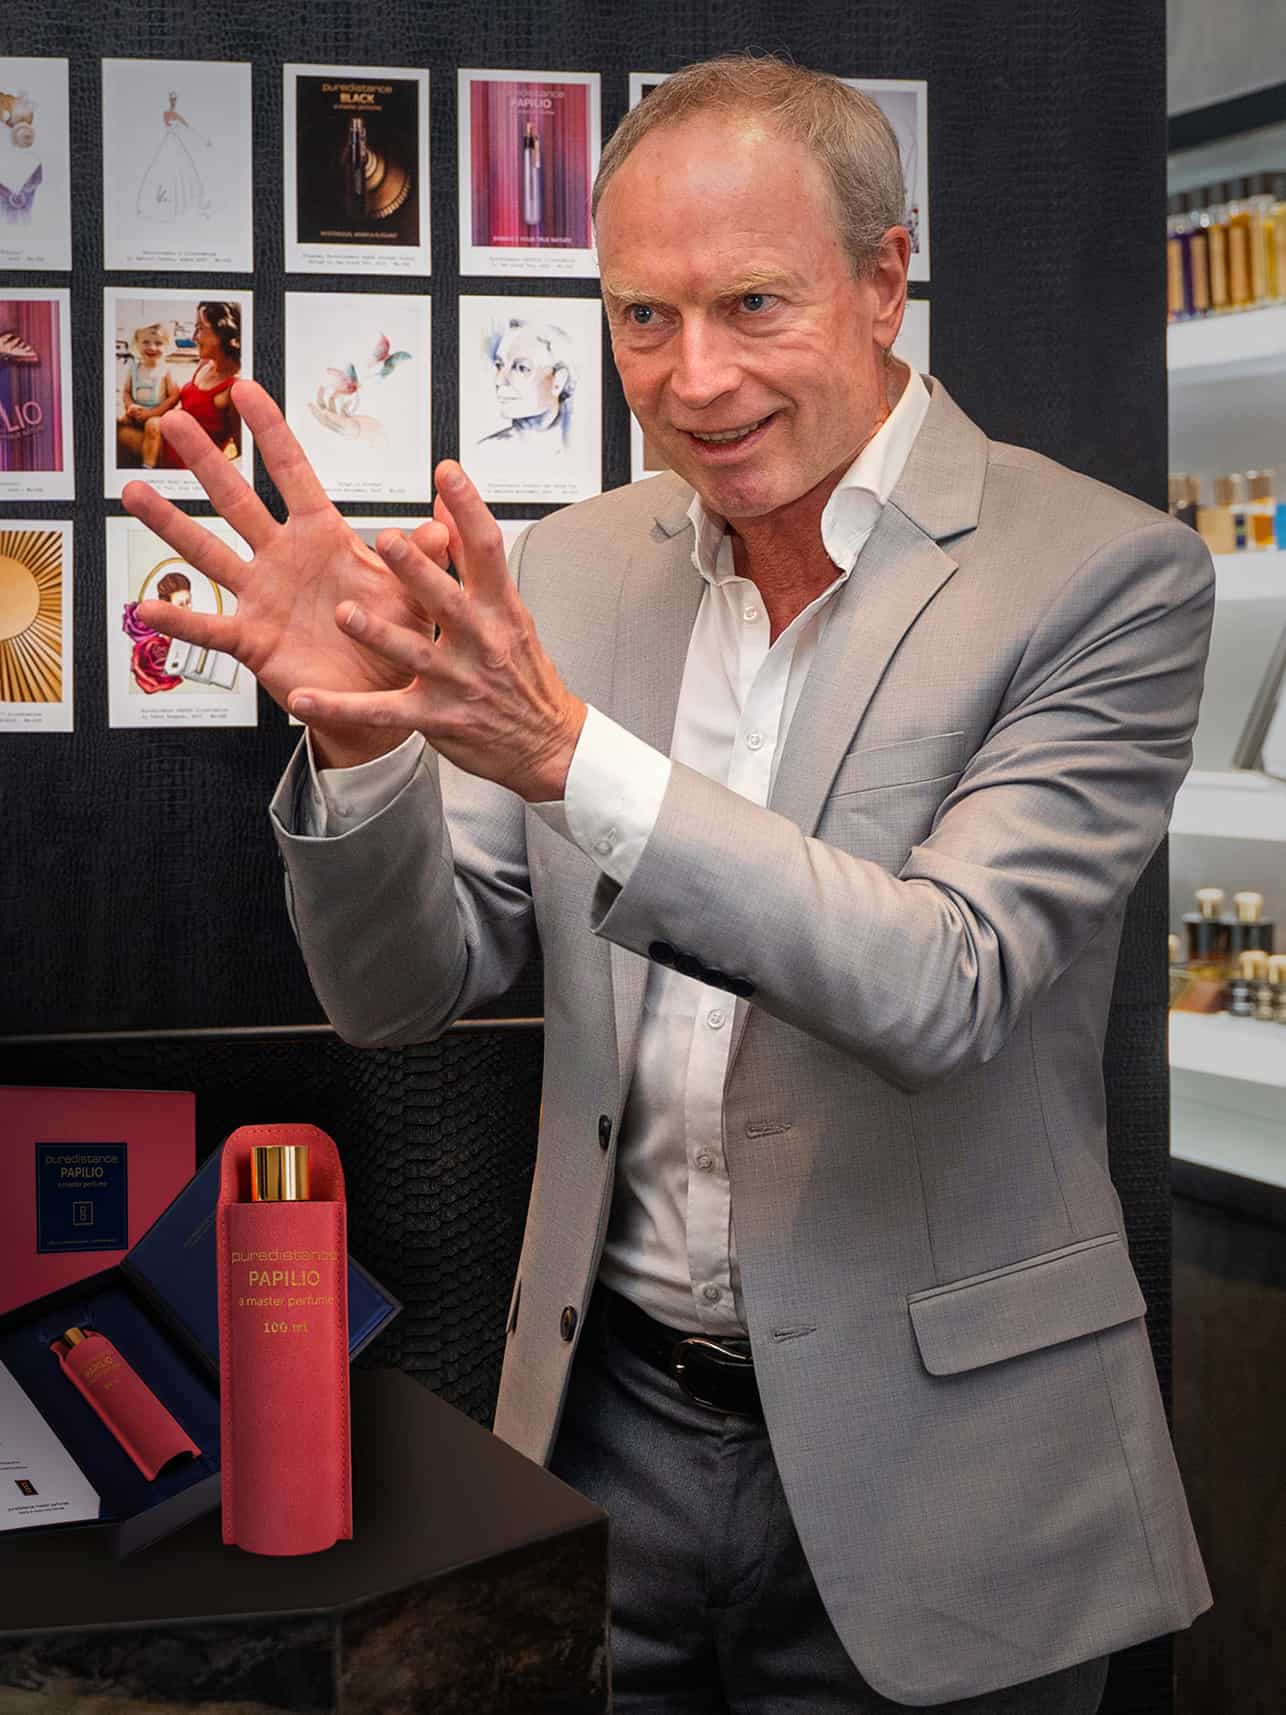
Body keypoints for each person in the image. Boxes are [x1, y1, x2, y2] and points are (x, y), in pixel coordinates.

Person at [120, 54, 1214, 1715]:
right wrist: (357, 739)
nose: (693, 378)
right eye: (643, 316)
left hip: (949, 1470)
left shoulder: (1101, 574)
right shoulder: (572, 566)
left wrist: (569, 756)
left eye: (752, 303)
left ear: (884, 279)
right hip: (606, 1428)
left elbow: (948, 984)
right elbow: (402, 989)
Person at [140, 300, 241, 471]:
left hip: (187, 464)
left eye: (200, 329)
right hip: (166, 440)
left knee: (120, 435)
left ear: (223, 333)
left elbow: (244, 454)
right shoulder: (205, 363)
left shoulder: (236, 389)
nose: (194, 337)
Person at [477, 316, 578, 456]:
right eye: (499, 365)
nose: (499, 380)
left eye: (521, 368)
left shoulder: (579, 452)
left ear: (558, 382)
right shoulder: (483, 452)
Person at [116, 322, 179, 467]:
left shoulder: (166, 370)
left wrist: (151, 413)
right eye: (146, 342)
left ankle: (148, 465)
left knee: (152, 426)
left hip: (158, 415)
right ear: (137, 344)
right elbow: (126, 392)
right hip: (136, 412)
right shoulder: (134, 369)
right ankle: (120, 460)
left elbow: (173, 397)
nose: (152, 347)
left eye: (158, 343)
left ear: (167, 346)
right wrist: (130, 406)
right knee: (117, 422)